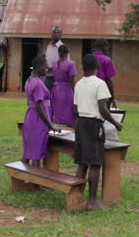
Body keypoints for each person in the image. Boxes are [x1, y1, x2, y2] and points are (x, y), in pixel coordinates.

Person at [74, 54, 122, 210]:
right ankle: (92, 201)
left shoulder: (78, 84)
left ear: (83, 67)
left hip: (80, 123)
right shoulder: (100, 84)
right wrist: (116, 123)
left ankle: (77, 197)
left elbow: (75, 109)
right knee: (95, 163)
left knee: (82, 162)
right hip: (94, 125)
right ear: (97, 67)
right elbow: (103, 109)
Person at [22, 55, 60, 168]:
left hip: (30, 118)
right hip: (38, 120)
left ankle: (22, 178)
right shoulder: (37, 84)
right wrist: (50, 125)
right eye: (45, 66)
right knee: (36, 154)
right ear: (39, 67)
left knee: (29, 151)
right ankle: (35, 184)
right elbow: (39, 106)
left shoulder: (29, 80)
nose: (47, 68)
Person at [51, 45, 77, 126]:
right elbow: (71, 80)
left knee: (57, 110)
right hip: (67, 90)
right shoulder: (71, 64)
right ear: (68, 53)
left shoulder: (54, 64)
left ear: (59, 53)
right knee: (68, 111)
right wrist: (76, 92)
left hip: (55, 89)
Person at [93, 39, 117, 109]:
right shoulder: (107, 59)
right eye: (107, 47)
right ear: (104, 47)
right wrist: (112, 97)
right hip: (102, 92)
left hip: (89, 90)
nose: (107, 49)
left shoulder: (89, 58)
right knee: (103, 112)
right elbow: (109, 81)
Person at [45, 26, 68, 91]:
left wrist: (52, 68)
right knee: (48, 99)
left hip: (58, 79)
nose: (56, 34)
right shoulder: (49, 46)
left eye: (58, 32)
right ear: (51, 34)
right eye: (54, 32)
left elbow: (66, 64)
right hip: (48, 77)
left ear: (61, 34)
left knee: (57, 99)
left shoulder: (63, 47)